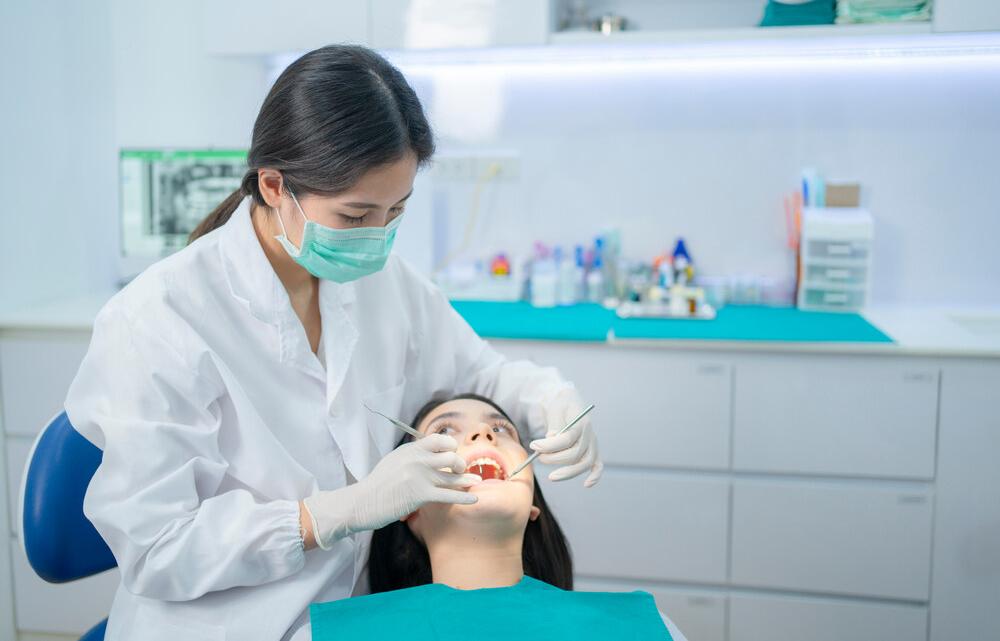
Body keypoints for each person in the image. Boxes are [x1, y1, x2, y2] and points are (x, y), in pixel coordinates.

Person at [64, 44, 602, 640]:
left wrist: (551, 399)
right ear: (274, 186)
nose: (378, 238)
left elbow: (481, 376)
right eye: (354, 217)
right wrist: (332, 515)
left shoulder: (381, 285)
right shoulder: (157, 320)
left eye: (395, 211)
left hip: (358, 619)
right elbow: (157, 549)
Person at [311, 395, 686, 640]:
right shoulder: (329, 634)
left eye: (502, 429)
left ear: (533, 503)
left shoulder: (647, 629)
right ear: (407, 505)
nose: (483, 433)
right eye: (444, 431)